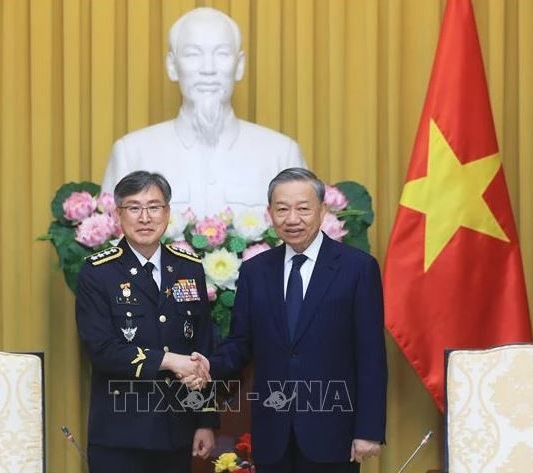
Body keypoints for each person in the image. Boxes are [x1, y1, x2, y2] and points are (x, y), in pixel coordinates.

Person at [190, 168, 387, 472]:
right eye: (282, 209)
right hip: (273, 433)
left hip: (333, 432)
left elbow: (371, 356)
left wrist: (368, 430)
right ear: (270, 214)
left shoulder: (357, 269)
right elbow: (241, 343)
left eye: (303, 208)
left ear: (322, 211)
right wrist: (207, 366)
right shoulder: (256, 271)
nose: (292, 218)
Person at [101, 7, 307, 218]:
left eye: (222, 54)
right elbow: (112, 242)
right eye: (192, 54)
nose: (208, 69)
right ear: (172, 65)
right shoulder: (132, 153)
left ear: (240, 66)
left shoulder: (281, 154)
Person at [75, 170, 218, 473]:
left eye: (154, 207)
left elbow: (203, 346)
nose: (145, 217)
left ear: (167, 213)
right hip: (120, 434)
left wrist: (205, 420)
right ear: (118, 215)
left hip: (177, 432)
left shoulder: (188, 268)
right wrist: (168, 361)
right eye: (134, 208)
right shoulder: (98, 273)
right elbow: (101, 350)